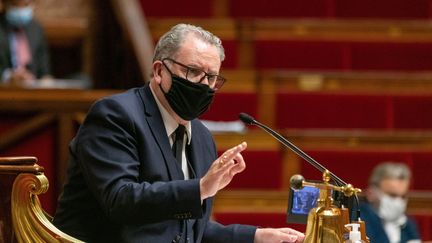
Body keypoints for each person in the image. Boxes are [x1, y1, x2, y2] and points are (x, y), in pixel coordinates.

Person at [53, 23, 305, 243]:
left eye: (212, 78)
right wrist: (200, 189)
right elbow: (120, 200)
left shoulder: (202, 139)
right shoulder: (116, 115)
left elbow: (187, 230)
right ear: (160, 71)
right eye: (193, 71)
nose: (203, 85)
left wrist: (256, 237)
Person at [360, 162, 421, 243]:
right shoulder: (358, 220)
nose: (398, 201)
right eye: (392, 195)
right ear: (371, 193)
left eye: (403, 196)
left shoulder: (408, 223)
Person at [0, 0, 51, 86]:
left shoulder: (36, 29)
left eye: (26, 4)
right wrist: (8, 76)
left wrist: (46, 80)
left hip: (33, 91)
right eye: (15, 4)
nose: (20, 9)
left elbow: (44, 71)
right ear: (4, 4)